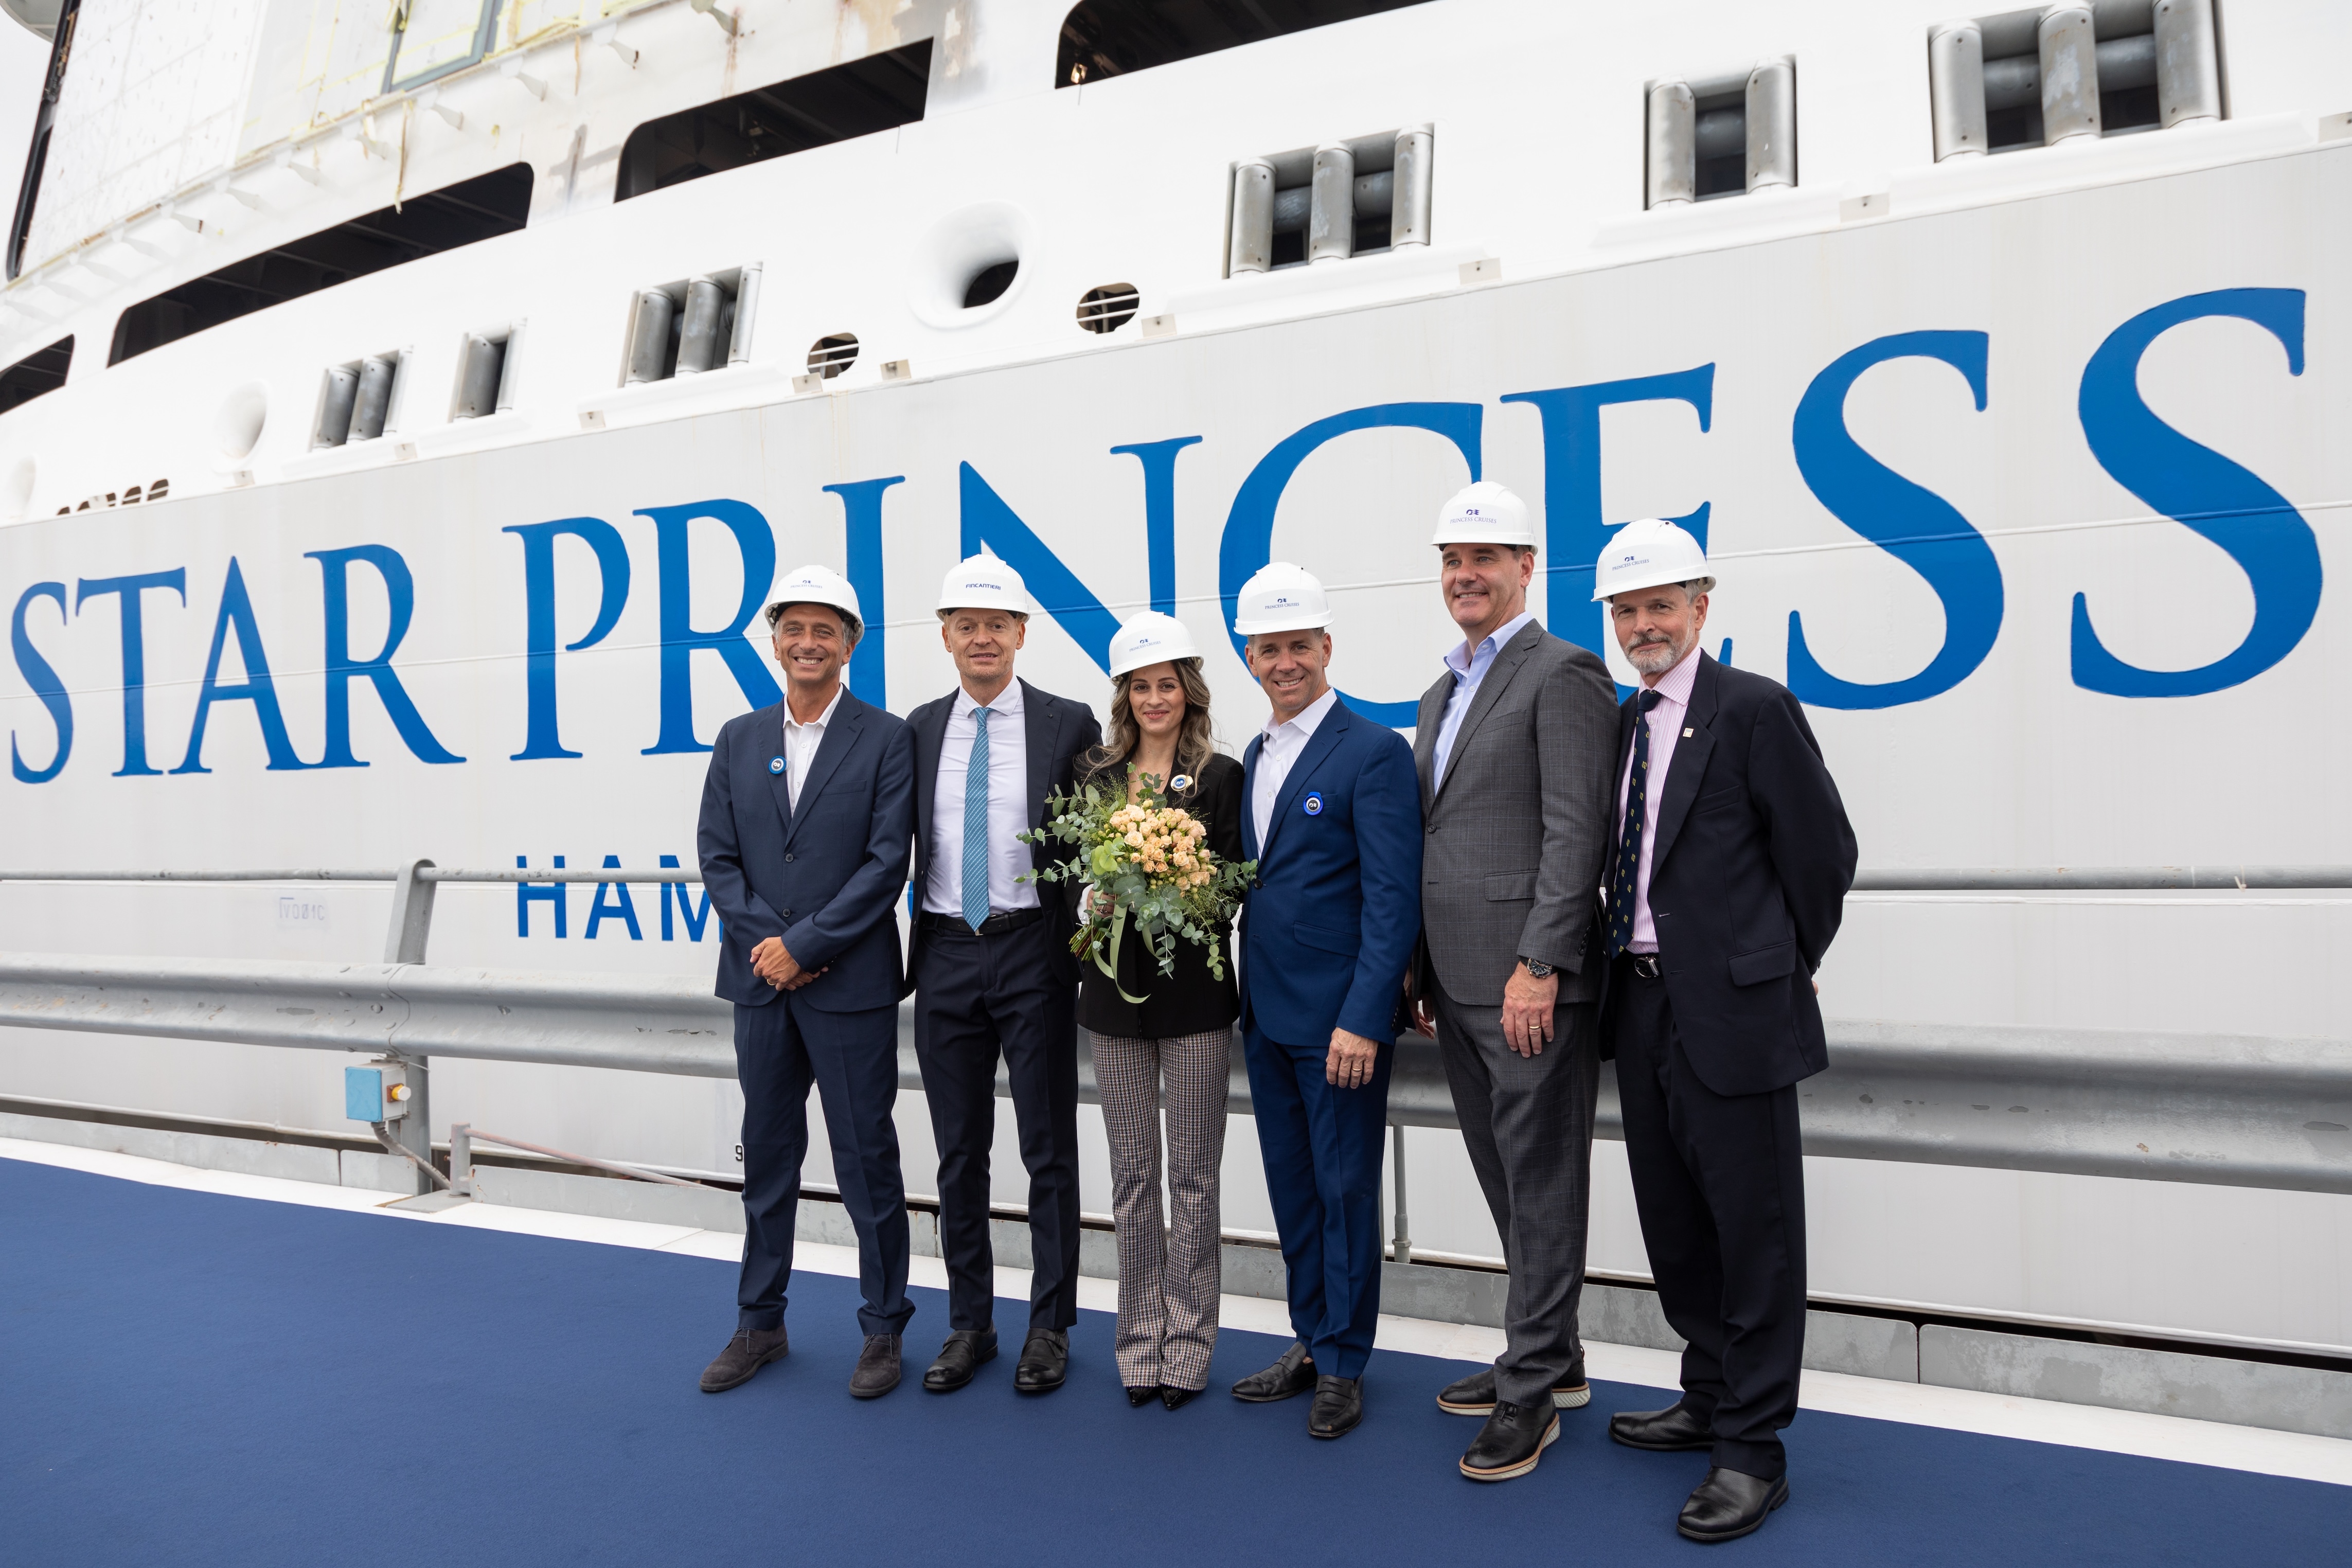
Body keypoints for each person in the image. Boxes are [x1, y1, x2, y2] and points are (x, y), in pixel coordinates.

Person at [1592, 518, 1856, 1544]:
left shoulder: (1753, 709)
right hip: (1641, 1003)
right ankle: (1708, 1393)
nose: (1643, 625)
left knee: (1755, 1234)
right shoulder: (1625, 724)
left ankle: (1753, 1450)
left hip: (1733, 1010)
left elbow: (1823, 854)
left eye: (1660, 605)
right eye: (1626, 610)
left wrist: (1780, 963)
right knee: (1676, 1222)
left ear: (1701, 608)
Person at [1407, 482, 1620, 1482]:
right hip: (1456, 982)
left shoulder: (1563, 671)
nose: (1466, 575)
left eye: (1485, 557)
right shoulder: (1440, 693)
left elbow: (1578, 831)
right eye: (1453, 559)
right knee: (1506, 1178)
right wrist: (1420, 968)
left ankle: (1530, 1390)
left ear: (1526, 566)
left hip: (1527, 983)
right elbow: (1440, 835)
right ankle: (1555, 1356)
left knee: (1541, 1182)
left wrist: (1542, 964)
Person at [696, 564, 918, 1400]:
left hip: (848, 985)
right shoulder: (737, 739)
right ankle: (760, 1323)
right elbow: (718, 856)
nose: (808, 643)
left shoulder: (886, 738)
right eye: (795, 628)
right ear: (775, 640)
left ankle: (884, 1328)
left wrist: (808, 944)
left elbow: (886, 863)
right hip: (762, 985)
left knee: (867, 1161)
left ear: (849, 644)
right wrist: (773, 948)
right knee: (768, 1159)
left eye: (826, 630)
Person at [1224, 562, 1421, 1440]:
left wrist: (1365, 1017)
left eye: (1299, 646)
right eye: (1269, 649)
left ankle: (1344, 1362)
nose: (1285, 662)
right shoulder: (1255, 756)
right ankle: (1311, 1336)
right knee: (1294, 1191)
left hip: (1338, 1021)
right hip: (1267, 1016)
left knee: (1344, 1193)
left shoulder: (1373, 751)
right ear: (1250, 658)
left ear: (1327, 647)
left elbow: (1393, 899)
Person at [904, 551, 1102, 1397]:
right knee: (959, 1154)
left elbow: (1097, 836)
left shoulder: (1069, 722)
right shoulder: (918, 728)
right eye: (967, 626)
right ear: (946, 636)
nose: (982, 639)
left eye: (996, 625)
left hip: (1033, 950)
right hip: (946, 951)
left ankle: (1050, 1326)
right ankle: (970, 1325)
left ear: (1022, 633)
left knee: (1047, 1148)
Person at [1074, 611, 1245, 1413]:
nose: (1154, 699)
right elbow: (1070, 880)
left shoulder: (1221, 777)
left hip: (1195, 1001)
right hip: (1113, 1001)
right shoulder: (1095, 775)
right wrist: (1094, 900)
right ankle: (1139, 1341)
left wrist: (1181, 885)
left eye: (1166, 685)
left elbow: (1234, 887)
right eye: (1140, 687)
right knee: (1134, 1177)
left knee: (1195, 1178)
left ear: (1189, 692)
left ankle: (1190, 1343)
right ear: (1125, 697)